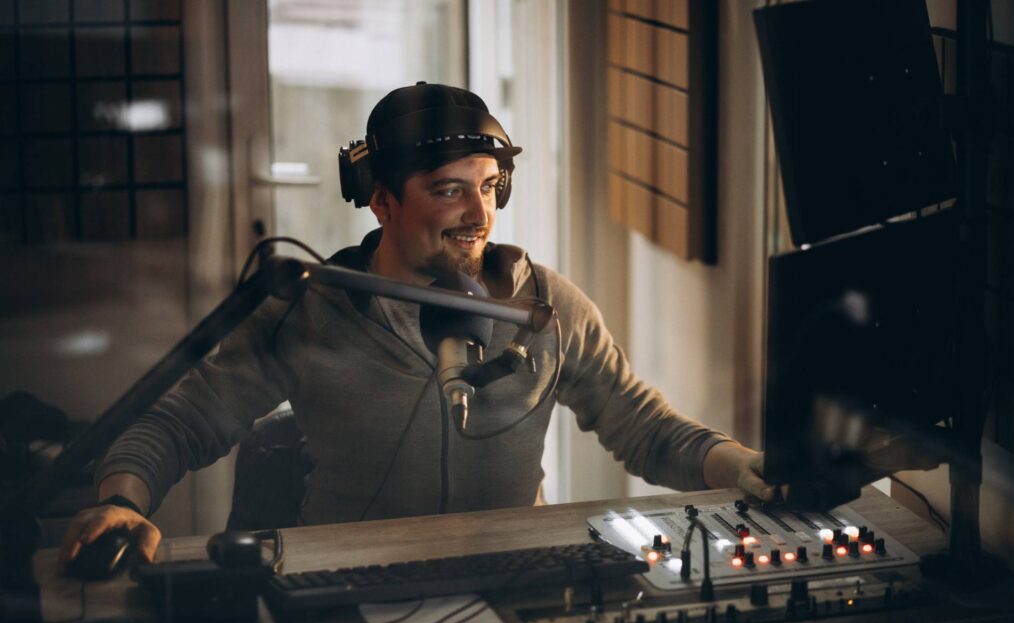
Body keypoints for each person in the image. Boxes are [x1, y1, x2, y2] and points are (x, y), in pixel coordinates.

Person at [58, 83, 773, 572]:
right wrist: (121, 503)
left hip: (514, 577)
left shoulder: (545, 306)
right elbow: (180, 422)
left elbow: (646, 426)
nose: (479, 213)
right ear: (380, 200)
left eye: (489, 187)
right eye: (448, 189)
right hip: (342, 590)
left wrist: (740, 463)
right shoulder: (308, 310)